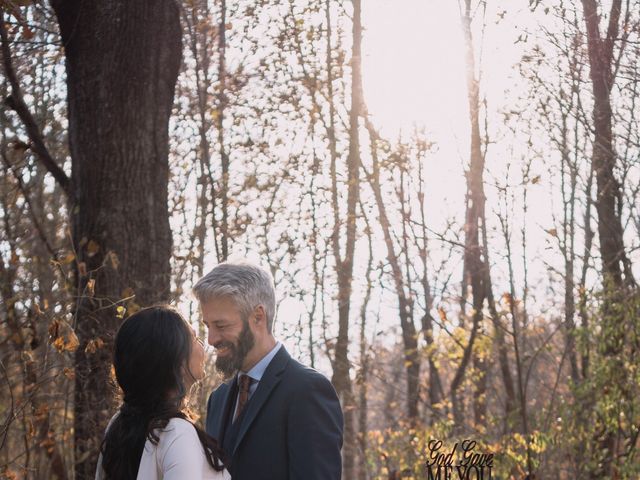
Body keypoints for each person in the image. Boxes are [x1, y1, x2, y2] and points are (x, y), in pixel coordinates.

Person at [194, 261, 344, 480]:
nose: (211, 339)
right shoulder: (218, 399)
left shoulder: (307, 390)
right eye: (207, 326)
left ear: (258, 317)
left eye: (221, 325)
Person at [95, 306, 231, 480]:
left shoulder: (118, 425)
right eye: (195, 338)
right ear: (177, 362)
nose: (204, 345)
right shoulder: (176, 432)